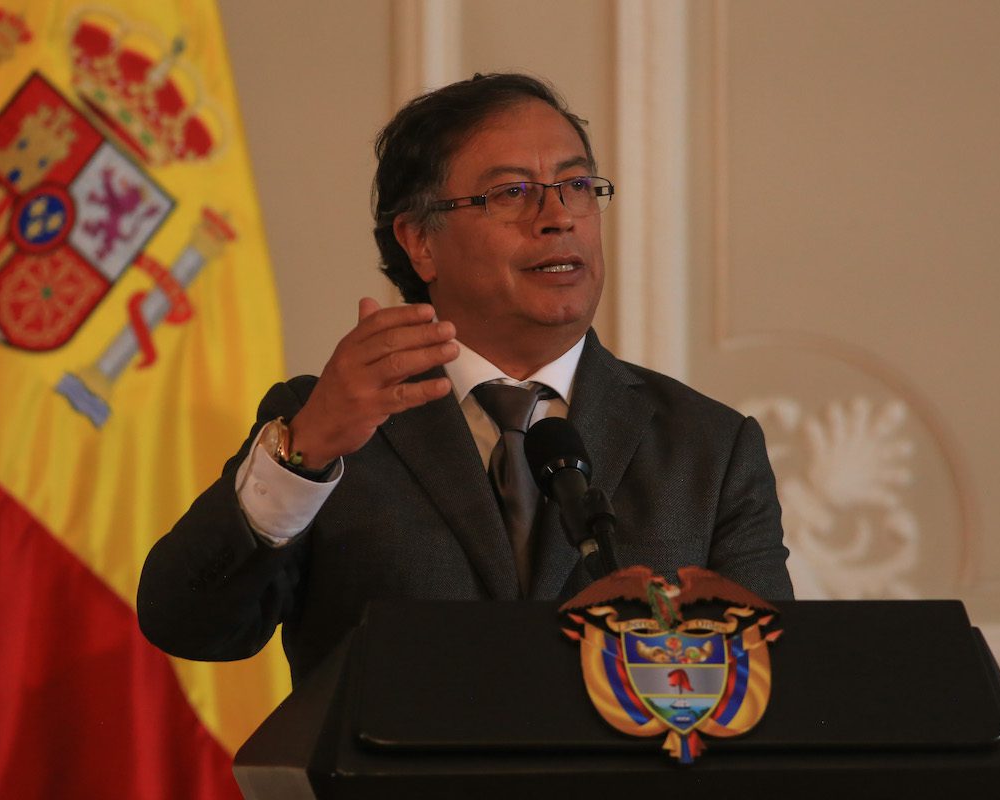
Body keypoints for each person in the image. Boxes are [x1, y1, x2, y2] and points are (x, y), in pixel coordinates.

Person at [137, 73, 792, 687]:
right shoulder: (330, 422)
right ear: (420, 240)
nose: (558, 216)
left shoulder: (710, 447)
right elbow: (192, 624)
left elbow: (767, 689)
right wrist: (302, 455)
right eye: (512, 193)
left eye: (576, 186)